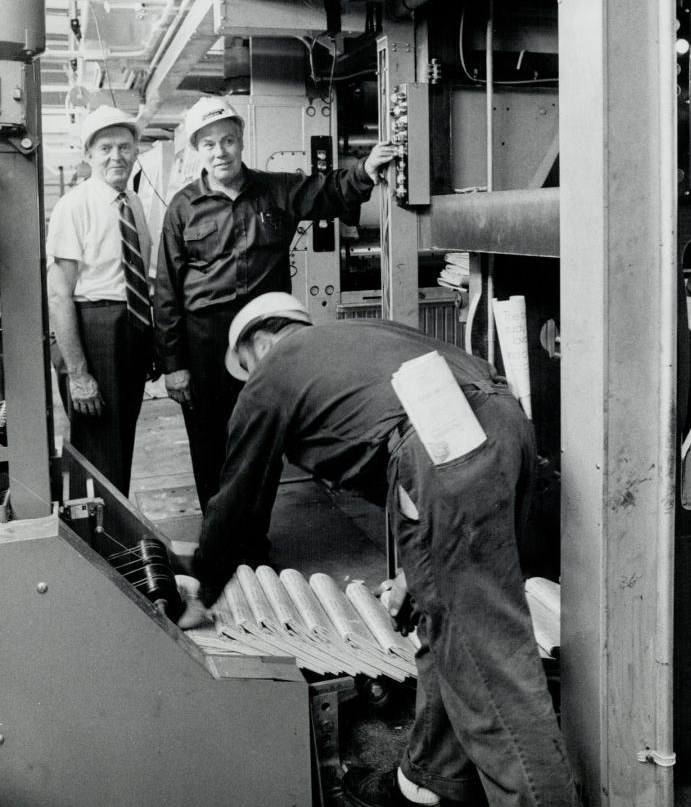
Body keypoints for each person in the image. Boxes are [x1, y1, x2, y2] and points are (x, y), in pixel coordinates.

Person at [179, 292, 578, 807]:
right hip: (506, 428)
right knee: (446, 620)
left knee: (491, 662)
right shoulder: (364, 337)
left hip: (442, 453)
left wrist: (204, 588)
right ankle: (431, 780)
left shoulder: (273, 370)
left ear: (257, 341)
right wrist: (422, 567)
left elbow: (238, 498)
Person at [154, 95, 397, 509]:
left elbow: (330, 190)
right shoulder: (182, 207)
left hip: (264, 335)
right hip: (205, 337)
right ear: (198, 149)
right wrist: (175, 365)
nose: (220, 152)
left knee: (263, 435)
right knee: (210, 439)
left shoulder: (277, 189)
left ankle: (253, 536)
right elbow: (167, 290)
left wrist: (365, 170)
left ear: (241, 140)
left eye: (227, 140)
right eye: (209, 144)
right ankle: (219, 535)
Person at [47, 105, 154, 495]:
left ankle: (115, 540)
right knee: (98, 450)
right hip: (95, 331)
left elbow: (140, 278)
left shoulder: (134, 204)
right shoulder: (73, 206)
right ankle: (99, 547)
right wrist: (78, 373)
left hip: (130, 330)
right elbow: (59, 295)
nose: (117, 156)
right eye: (105, 148)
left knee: (120, 443)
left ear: (136, 151)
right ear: (88, 155)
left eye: (125, 147)